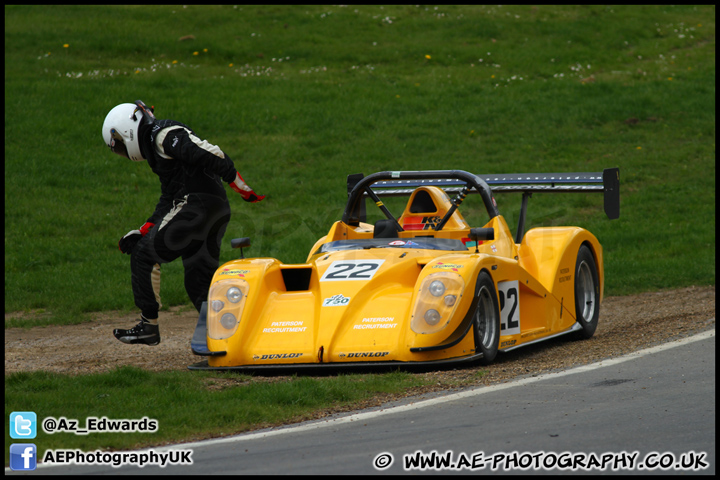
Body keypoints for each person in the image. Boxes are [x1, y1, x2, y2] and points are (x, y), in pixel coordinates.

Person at [102, 100, 264, 346]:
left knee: (144, 255)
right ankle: (230, 338)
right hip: (213, 209)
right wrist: (143, 230)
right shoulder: (156, 148)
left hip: (196, 206)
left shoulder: (164, 135)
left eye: (121, 147)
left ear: (127, 132)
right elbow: (169, 197)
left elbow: (211, 152)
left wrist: (238, 184)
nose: (124, 154)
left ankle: (148, 326)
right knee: (198, 279)